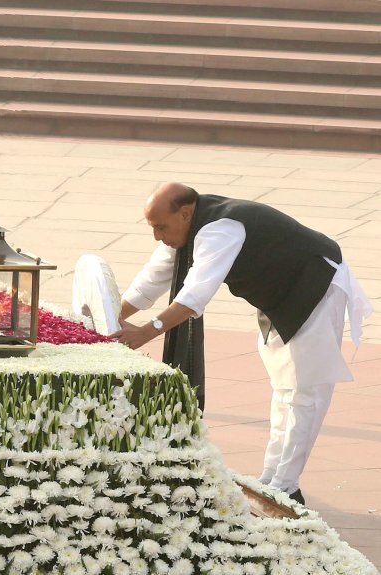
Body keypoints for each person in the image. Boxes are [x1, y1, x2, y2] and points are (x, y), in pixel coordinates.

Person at [108, 182, 372, 504]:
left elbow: (194, 297)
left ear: (186, 213)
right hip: (280, 296)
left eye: (160, 227)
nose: (157, 236)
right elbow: (149, 283)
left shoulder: (220, 230)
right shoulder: (184, 231)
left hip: (317, 285)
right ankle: (272, 479)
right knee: (285, 389)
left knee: (306, 392)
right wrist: (109, 319)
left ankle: (286, 488)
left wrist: (146, 332)